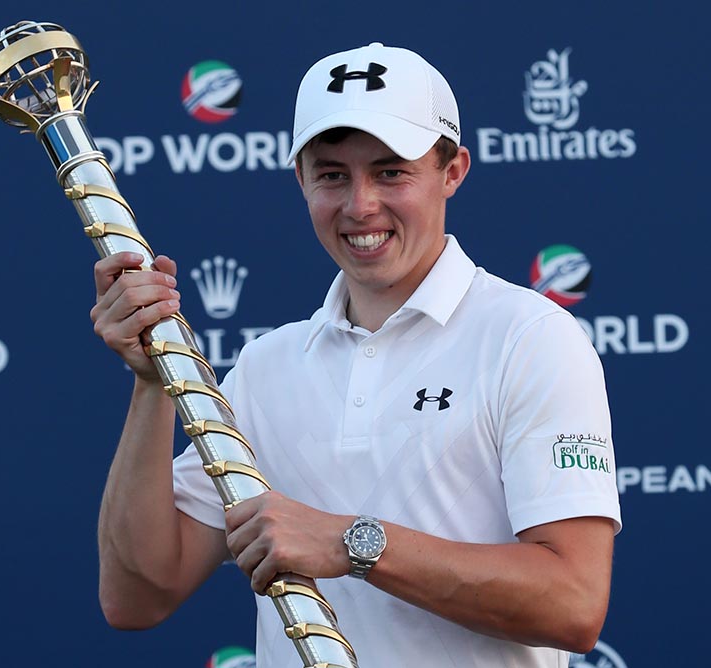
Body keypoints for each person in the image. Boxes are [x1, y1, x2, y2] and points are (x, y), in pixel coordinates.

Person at [92, 42, 622, 668]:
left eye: (391, 171)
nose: (360, 205)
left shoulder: (529, 340)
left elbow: (574, 604)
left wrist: (353, 543)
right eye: (332, 174)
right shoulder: (265, 367)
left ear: (452, 172)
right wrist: (154, 384)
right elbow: (137, 597)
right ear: (302, 181)